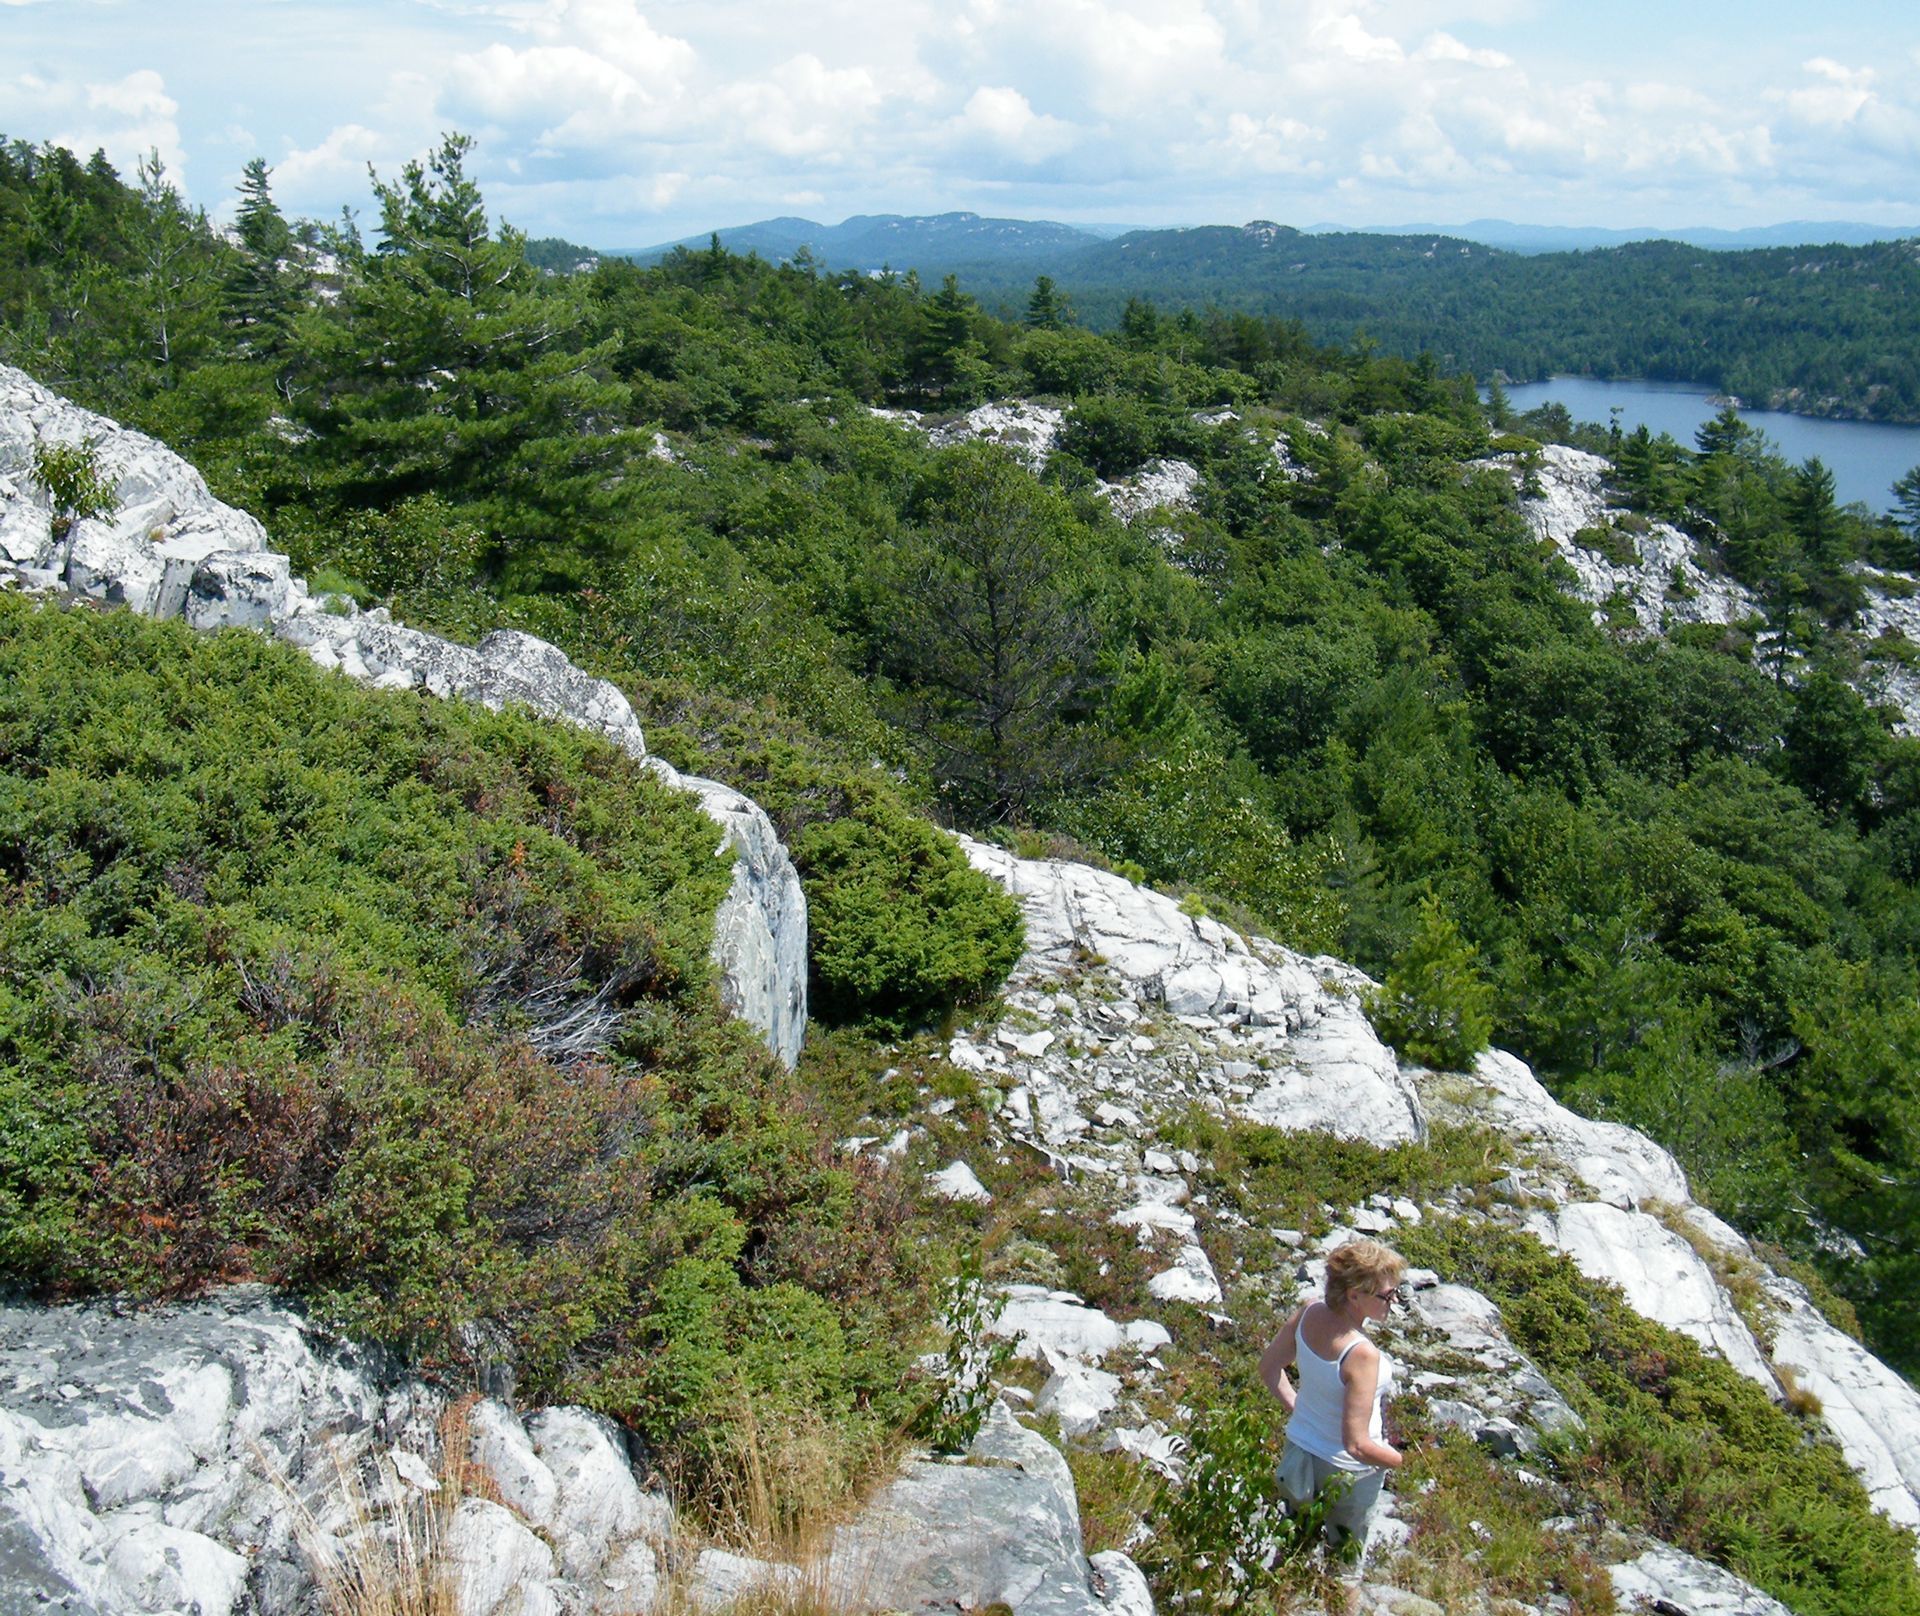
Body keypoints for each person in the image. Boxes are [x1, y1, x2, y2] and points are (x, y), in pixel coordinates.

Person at [1257, 1238, 1406, 1583]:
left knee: (1291, 1547)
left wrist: (1298, 1408)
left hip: (1299, 1454)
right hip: (1348, 1473)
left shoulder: (1308, 1313)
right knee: (1345, 1569)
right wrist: (1399, 1461)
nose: (1393, 1302)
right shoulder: (1361, 1353)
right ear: (1354, 1295)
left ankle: (1277, 1601)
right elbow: (1356, 1444)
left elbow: (1268, 1369)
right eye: (1385, 1295)